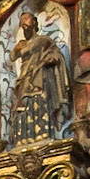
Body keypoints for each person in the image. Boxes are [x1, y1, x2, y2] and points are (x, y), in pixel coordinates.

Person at [7, 11, 71, 144]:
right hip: (25, 79)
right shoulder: (22, 44)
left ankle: (42, 135)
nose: (23, 22)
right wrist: (16, 49)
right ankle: (23, 138)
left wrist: (51, 58)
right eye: (21, 21)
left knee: (39, 104)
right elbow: (12, 58)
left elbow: (56, 54)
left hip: (40, 78)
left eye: (26, 19)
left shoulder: (44, 40)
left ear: (34, 22)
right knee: (22, 107)